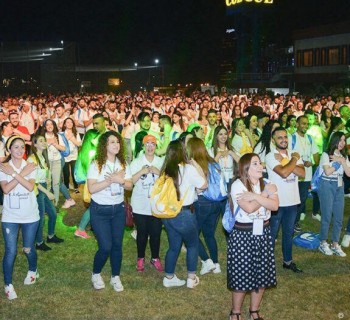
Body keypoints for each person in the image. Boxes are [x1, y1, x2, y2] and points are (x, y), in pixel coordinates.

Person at [228, 153, 279, 320]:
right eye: (255, 163)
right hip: (243, 235)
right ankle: (236, 311)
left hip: (263, 233)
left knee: (262, 275)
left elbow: (275, 205)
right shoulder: (237, 185)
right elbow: (248, 208)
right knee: (241, 276)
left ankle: (254, 311)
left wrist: (256, 196)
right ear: (246, 168)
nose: (260, 166)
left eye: (260, 163)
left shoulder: (269, 183)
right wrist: (264, 195)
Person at [87, 131, 133, 292]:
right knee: (105, 246)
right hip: (100, 210)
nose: (116, 145)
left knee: (117, 245)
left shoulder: (123, 164)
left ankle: (115, 276)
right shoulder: (96, 164)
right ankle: (96, 273)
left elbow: (129, 185)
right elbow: (91, 188)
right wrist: (110, 180)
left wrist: (120, 180)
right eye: (112, 142)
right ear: (105, 145)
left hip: (118, 209)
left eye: (118, 142)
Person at [161, 140, 207, 289]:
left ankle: (169, 277)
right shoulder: (188, 169)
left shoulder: (165, 170)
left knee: (173, 246)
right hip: (185, 213)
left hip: (168, 214)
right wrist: (196, 166)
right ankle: (191, 278)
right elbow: (204, 185)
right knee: (192, 244)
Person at [0, 136, 39, 300]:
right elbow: (6, 189)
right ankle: (8, 284)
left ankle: (33, 270)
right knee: (11, 251)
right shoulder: (3, 168)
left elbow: (30, 186)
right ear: (9, 150)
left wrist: (15, 174)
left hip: (30, 215)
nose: (19, 150)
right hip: (10, 216)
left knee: (28, 248)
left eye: (22, 147)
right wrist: (21, 174)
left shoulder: (30, 165)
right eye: (15, 147)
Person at [265, 127, 305, 273]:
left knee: (288, 233)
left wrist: (286, 160)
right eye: (279, 138)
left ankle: (287, 261)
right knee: (271, 235)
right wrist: (293, 159)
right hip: (277, 203)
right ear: (273, 140)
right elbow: (284, 172)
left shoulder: (290, 155)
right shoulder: (270, 156)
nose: (283, 140)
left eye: (285, 137)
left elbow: (302, 172)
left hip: (293, 201)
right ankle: (266, 263)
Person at [187, 137, 222, 275]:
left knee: (192, 234)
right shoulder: (213, 162)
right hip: (216, 202)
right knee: (209, 234)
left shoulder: (193, 164)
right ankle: (216, 263)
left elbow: (200, 187)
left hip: (202, 202)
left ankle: (207, 261)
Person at [130, 134, 164, 272]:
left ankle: (155, 258)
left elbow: (168, 181)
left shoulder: (161, 161)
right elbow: (130, 181)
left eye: (153, 144)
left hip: (156, 204)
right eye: (147, 144)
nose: (150, 146)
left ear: (156, 146)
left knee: (156, 233)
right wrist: (142, 171)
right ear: (143, 146)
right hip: (140, 204)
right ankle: (140, 258)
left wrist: (158, 172)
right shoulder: (136, 162)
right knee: (142, 233)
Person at [28, 135, 64, 251]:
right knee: (41, 218)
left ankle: (51, 236)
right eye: (41, 141)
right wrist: (47, 193)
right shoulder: (31, 159)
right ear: (34, 145)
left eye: (44, 140)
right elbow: (34, 182)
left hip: (43, 188)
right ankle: (38, 242)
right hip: (37, 190)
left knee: (53, 213)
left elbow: (44, 177)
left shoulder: (43, 158)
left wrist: (48, 184)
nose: (44, 142)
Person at [317, 132, 350, 257]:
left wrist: (342, 161)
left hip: (339, 186)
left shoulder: (343, 156)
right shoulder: (326, 154)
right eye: (340, 140)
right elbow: (328, 171)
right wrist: (338, 163)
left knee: (339, 216)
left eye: (344, 140)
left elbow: (349, 173)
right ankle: (323, 242)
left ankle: (335, 243)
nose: (342, 143)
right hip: (327, 184)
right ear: (334, 140)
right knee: (326, 215)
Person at [61, 117, 82, 193]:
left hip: (74, 156)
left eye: (71, 122)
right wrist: (69, 138)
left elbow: (79, 144)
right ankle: (66, 187)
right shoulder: (62, 134)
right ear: (65, 124)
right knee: (66, 173)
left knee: (74, 172)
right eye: (67, 122)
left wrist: (72, 138)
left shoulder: (76, 133)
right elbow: (61, 145)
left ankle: (76, 187)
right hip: (65, 156)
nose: (69, 124)